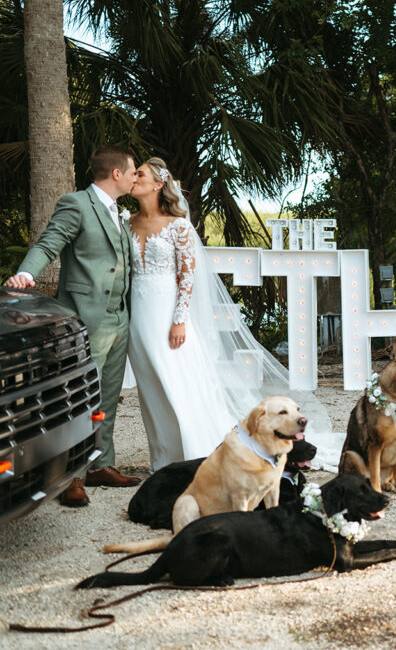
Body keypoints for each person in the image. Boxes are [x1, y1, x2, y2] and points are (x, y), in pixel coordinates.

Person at [124, 158, 342, 471]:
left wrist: (180, 320)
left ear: (158, 184)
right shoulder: (126, 222)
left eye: (140, 174)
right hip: (138, 318)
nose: (134, 178)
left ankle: (196, 456)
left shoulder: (178, 225)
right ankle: (164, 460)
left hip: (169, 316)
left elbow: (187, 275)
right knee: (152, 392)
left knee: (180, 386)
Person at [6, 146, 142, 506]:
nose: (134, 177)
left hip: (119, 316)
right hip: (86, 317)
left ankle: (102, 464)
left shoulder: (119, 213)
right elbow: (49, 243)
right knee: (79, 400)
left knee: (108, 395)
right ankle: (72, 477)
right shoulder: (77, 203)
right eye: (131, 172)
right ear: (116, 174)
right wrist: (25, 273)